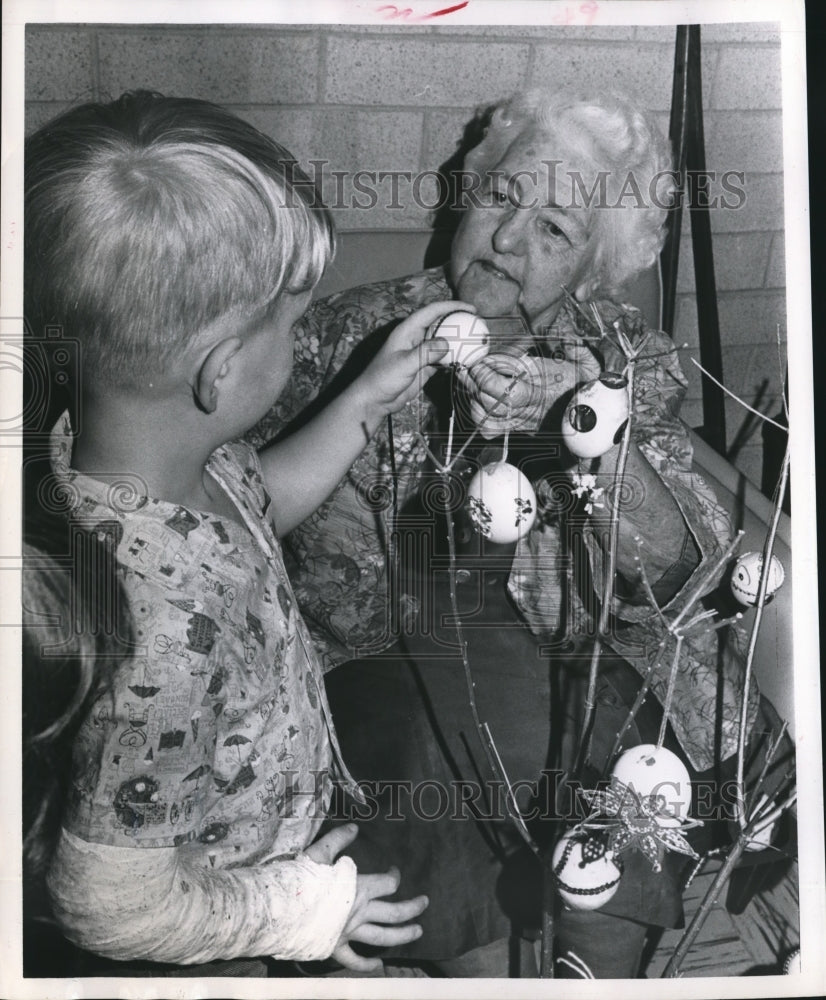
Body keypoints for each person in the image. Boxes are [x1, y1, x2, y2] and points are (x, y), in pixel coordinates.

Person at [248, 90, 792, 977]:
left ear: (590, 272)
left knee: (613, 818)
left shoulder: (621, 362)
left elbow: (676, 565)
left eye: (554, 231)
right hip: (380, 668)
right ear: (468, 190)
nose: (507, 241)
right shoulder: (344, 337)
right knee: (446, 818)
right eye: (502, 200)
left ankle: (599, 954)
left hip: (569, 670)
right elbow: (239, 511)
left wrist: (586, 429)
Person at [24, 90, 467, 973]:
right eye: (292, 324)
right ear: (221, 369)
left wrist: (364, 400)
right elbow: (109, 906)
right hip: (213, 923)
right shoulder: (159, 654)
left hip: (257, 822)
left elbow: (253, 508)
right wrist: (301, 913)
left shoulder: (134, 459)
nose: (301, 336)